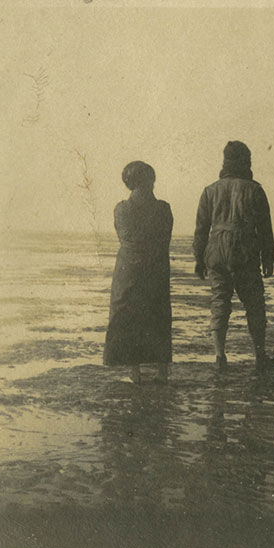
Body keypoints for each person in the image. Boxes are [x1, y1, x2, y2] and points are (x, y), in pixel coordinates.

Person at [194, 141, 274, 373]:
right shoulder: (255, 190)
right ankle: (260, 356)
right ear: (246, 161)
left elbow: (201, 230)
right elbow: (265, 230)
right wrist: (268, 260)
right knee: (254, 305)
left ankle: (220, 355)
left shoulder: (209, 191)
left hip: (216, 253)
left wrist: (198, 260)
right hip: (245, 252)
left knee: (220, 303)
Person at [103, 161, 173, 383]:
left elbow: (127, 239)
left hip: (129, 269)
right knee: (158, 315)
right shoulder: (163, 208)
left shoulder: (122, 209)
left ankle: (135, 373)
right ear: (151, 180)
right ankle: (162, 372)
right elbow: (163, 240)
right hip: (156, 268)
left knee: (128, 317)